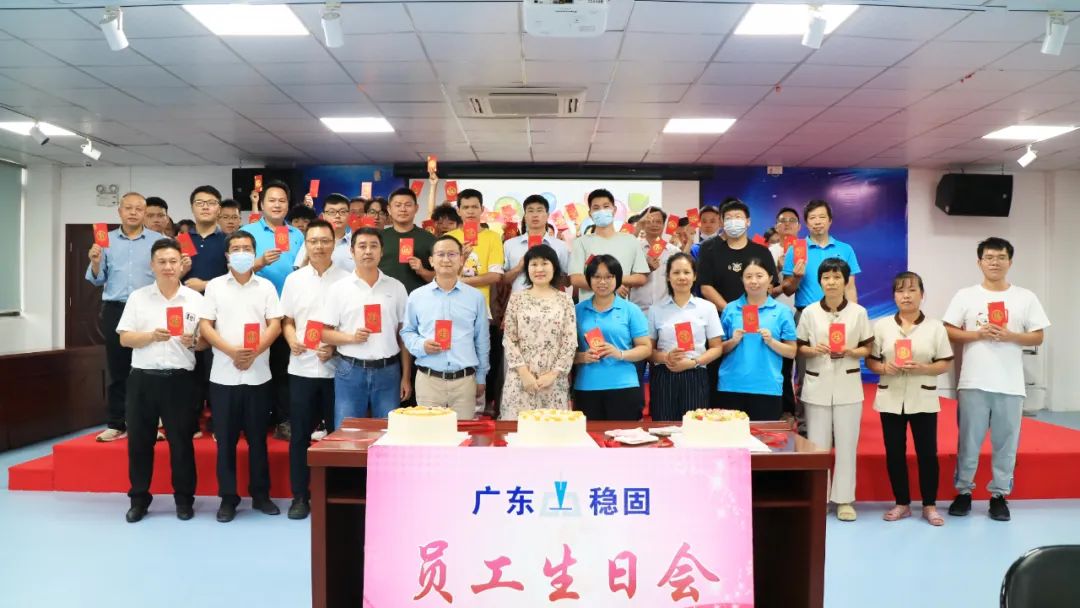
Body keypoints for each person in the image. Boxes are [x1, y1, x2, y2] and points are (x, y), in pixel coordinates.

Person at [943, 237, 1049, 522]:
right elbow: (948, 330)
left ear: (1010, 262)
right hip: (973, 381)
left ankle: (999, 496)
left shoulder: (1025, 297)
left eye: (1001, 257)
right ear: (979, 262)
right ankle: (964, 492)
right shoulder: (966, 295)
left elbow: (1038, 335)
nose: (995, 262)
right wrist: (978, 334)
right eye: (989, 257)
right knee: (968, 442)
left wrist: (1011, 335)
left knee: (1006, 444)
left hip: (1010, 384)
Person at [116, 238, 207, 522]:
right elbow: (124, 338)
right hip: (143, 380)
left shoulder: (195, 299)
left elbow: (205, 341)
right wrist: (151, 336)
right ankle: (139, 499)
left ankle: (184, 500)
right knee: (139, 443)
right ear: (152, 265)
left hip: (180, 381)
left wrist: (193, 341)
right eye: (162, 262)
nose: (168, 267)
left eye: (173, 261)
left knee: (181, 443)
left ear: (182, 264)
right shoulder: (138, 297)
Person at [199, 231, 283, 522]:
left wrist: (254, 352)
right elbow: (206, 326)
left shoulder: (266, 286)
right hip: (224, 376)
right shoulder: (215, 287)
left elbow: (275, 324)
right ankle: (228, 498)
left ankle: (261, 495)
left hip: (259, 375)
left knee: (259, 439)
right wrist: (232, 352)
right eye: (236, 249)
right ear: (227, 255)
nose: (242, 253)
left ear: (254, 253)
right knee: (225, 442)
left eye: (247, 248)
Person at [867, 271, 953, 526]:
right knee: (894, 452)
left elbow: (945, 362)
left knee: (927, 453)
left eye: (912, 290)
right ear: (894, 296)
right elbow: (871, 360)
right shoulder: (882, 326)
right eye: (901, 290)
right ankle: (902, 503)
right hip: (891, 396)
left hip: (922, 396)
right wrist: (884, 368)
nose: (906, 295)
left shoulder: (935, 327)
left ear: (922, 295)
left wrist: (924, 368)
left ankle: (929, 505)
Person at [279, 220, 351, 520]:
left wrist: (334, 346)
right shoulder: (294, 280)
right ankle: (300, 496)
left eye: (324, 241)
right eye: (313, 241)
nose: (319, 246)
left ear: (334, 243)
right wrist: (291, 339)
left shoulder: (347, 280)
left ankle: (336, 495)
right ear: (305, 245)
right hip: (302, 369)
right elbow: (286, 320)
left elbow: (351, 326)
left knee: (337, 436)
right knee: (299, 436)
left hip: (337, 371)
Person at [796, 258, 872, 522]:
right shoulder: (809, 312)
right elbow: (800, 347)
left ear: (845, 281)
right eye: (826, 277)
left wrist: (852, 352)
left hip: (848, 386)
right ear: (820, 282)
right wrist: (813, 349)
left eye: (837, 277)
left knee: (847, 445)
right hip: (817, 384)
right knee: (818, 446)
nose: (831, 282)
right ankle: (818, 497)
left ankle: (844, 500)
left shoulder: (858, 312)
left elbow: (868, 348)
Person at [86, 192, 164, 442]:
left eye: (138, 209)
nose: (133, 212)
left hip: (149, 309)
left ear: (144, 213)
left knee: (149, 368)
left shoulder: (158, 240)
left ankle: (150, 423)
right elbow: (97, 278)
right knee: (118, 368)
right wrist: (95, 262)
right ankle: (116, 423)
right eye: (128, 208)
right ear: (119, 211)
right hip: (116, 308)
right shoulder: (105, 240)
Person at [320, 227, 411, 424]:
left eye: (373, 246)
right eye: (362, 246)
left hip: (388, 371)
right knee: (347, 432)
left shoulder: (396, 287)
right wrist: (351, 338)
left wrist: (406, 376)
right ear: (352, 251)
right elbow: (324, 333)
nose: (368, 251)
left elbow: (403, 335)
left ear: (381, 251)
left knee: (387, 432)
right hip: (350, 370)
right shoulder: (338, 289)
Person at [241, 180, 305, 440]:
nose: (277, 205)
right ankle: (254, 419)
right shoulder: (247, 232)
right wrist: (258, 263)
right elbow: (236, 271)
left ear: (288, 205)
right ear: (262, 203)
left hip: (289, 312)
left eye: (282, 201)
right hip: (256, 312)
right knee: (255, 364)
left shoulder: (297, 235)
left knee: (283, 367)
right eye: (272, 200)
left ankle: (283, 419)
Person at [400, 236, 489, 420]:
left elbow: (482, 340)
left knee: (462, 434)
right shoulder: (416, 296)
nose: (446, 259)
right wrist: (421, 345)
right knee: (430, 435)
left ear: (461, 259)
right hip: (429, 381)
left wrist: (481, 377)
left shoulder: (476, 298)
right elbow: (407, 331)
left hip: (464, 382)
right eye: (441, 254)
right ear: (431, 261)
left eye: (452, 254)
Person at [500, 244, 577, 420]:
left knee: (552, 429)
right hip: (520, 378)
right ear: (527, 269)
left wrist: (553, 374)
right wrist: (524, 373)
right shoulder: (517, 298)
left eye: (544, 263)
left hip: (553, 380)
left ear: (554, 267)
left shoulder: (565, 300)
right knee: (518, 429)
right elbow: (509, 339)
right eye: (533, 264)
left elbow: (570, 341)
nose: (539, 269)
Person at [573, 255, 652, 421]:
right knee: (589, 436)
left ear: (618, 279)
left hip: (624, 386)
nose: (602, 282)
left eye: (609, 277)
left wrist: (620, 354)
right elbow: (565, 350)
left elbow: (646, 348)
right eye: (597, 277)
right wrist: (581, 357)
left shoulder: (630, 310)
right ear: (589, 279)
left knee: (624, 436)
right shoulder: (576, 311)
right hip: (586, 387)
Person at [716, 258, 797, 418]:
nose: (754, 281)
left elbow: (791, 352)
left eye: (759, 276)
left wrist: (771, 341)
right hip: (731, 385)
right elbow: (718, 349)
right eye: (748, 276)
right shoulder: (730, 309)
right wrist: (733, 341)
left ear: (770, 279)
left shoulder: (782, 311)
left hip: (767, 386)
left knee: (764, 433)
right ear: (742, 280)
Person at [647, 253, 724, 421]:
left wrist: (693, 362)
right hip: (664, 374)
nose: (682, 277)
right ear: (668, 277)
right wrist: (666, 357)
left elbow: (717, 347)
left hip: (696, 374)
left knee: (694, 428)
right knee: (663, 427)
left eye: (687, 272)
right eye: (676, 272)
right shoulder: (656, 309)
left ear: (694, 276)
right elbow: (648, 350)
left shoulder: (707, 308)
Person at [181, 185, 229, 439]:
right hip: (187, 313)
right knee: (188, 369)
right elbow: (170, 276)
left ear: (219, 209)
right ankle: (189, 423)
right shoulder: (182, 240)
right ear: (192, 208)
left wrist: (205, 285)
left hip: (218, 316)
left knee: (215, 369)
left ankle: (218, 423)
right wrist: (180, 271)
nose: (206, 207)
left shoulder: (227, 240)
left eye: (211, 203)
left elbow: (235, 277)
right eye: (200, 203)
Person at [698, 198, 779, 314]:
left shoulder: (762, 252)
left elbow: (770, 285)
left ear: (748, 221)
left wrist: (750, 312)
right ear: (722, 223)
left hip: (755, 315)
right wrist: (731, 312)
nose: (733, 222)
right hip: (721, 316)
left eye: (738, 217)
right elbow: (706, 287)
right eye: (729, 218)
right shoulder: (709, 250)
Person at [568, 189, 650, 301]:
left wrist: (614, 282)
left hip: (619, 308)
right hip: (589, 308)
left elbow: (641, 278)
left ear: (614, 210)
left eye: (606, 206)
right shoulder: (581, 242)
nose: (601, 211)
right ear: (590, 214)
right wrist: (612, 286)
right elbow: (576, 279)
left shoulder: (630, 240)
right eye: (596, 208)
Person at [782, 199, 861, 308]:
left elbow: (850, 288)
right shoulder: (795, 249)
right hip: (805, 312)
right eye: (812, 218)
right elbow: (787, 291)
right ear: (806, 223)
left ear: (830, 221)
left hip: (838, 311)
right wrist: (796, 278)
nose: (817, 222)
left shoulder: (845, 249)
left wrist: (853, 313)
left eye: (822, 217)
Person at [503, 194, 570, 293]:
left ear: (547, 215)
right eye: (530, 211)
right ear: (525, 216)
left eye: (539, 210)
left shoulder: (560, 245)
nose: (535, 215)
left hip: (550, 300)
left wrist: (551, 269)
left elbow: (568, 282)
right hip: (519, 300)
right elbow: (503, 280)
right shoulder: (509, 244)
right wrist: (518, 268)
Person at [770, 206, 801, 416]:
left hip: (800, 311)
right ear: (776, 226)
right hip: (775, 314)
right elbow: (765, 290)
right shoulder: (768, 252)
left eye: (792, 221)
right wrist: (781, 272)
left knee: (802, 365)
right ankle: (784, 409)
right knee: (781, 363)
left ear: (799, 226)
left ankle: (799, 410)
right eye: (783, 220)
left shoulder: (804, 250)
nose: (787, 224)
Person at [379, 187, 435, 294]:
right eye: (398, 205)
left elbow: (441, 277)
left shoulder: (429, 239)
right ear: (389, 209)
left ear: (416, 208)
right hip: (385, 298)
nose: (403, 209)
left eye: (408, 205)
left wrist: (422, 271)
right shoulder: (378, 238)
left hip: (418, 299)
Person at [629, 206, 681, 316]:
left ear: (663, 224)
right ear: (643, 223)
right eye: (650, 221)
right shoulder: (634, 248)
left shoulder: (674, 251)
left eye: (658, 222)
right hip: (637, 310)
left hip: (666, 311)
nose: (654, 225)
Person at [293, 193, 355, 272]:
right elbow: (298, 272)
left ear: (349, 216)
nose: (337, 216)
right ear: (323, 216)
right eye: (332, 212)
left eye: (342, 212)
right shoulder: (311, 241)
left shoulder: (356, 243)